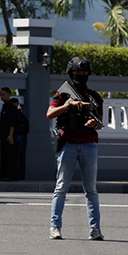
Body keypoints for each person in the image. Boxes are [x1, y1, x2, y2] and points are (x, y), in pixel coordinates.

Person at [47, 56, 104, 241]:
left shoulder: (94, 97)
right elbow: (49, 114)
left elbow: (100, 125)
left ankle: (95, 229)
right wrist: (68, 105)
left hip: (88, 145)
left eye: (84, 74)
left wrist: (93, 123)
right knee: (61, 187)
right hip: (68, 144)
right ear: (71, 74)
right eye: (77, 74)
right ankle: (55, 227)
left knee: (91, 190)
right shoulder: (62, 94)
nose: (81, 76)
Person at [0, 87, 18, 181]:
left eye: (3, 95)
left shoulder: (11, 107)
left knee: (9, 156)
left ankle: (10, 175)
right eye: (1, 95)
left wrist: (10, 135)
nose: (2, 97)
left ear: (8, 94)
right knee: (4, 155)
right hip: (3, 135)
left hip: (9, 136)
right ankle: (4, 174)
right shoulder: (4, 106)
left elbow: (12, 122)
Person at [11, 97, 29, 181]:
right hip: (19, 137)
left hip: (18, 138)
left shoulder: (19, 114)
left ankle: (17, 175)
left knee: (17, 157)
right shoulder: (20, 114)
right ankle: (17, 175)